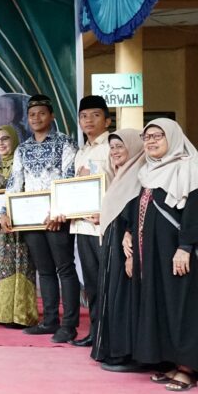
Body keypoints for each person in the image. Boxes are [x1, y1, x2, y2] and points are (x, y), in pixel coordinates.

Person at [1, 94, 79, 343]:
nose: (36, 118)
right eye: (32, 115)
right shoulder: (22, 148)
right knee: (44, 271)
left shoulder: (65, 143)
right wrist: (6, 213)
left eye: (41, 113)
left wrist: (59, 210)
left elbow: (69, 179)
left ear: (51, 116)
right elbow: (15, 183)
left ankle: (69, 325)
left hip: (57, 217)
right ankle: (49, 321)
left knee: (65, 269)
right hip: (30, 219)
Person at [130, 119, 198, 391]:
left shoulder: (189, 166)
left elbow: (194, 213)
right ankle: (169, 360)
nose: (151, 141)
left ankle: (187, 367)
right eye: (147, 137)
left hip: (178, 251)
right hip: (153, 252)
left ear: (173, 137)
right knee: (161, 303)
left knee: (183, 306)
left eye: (158, 136)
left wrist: (185, 247)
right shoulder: (148, 170)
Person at [90, 129, 144, 371]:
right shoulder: (120, 175)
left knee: (124, 298)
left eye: (120, 146)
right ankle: (111, 349)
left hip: (127, 247)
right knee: (111, 295)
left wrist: (129, 233)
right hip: (113, 244)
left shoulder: (140, 175)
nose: (115, 152)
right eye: (112, 148)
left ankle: (126, 353)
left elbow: (135, 212)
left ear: (133, 147)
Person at [0, 126, 38, 326]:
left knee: (16, 266)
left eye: (5, 139)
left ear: (14, 140)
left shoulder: (21, 164)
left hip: (15, 227)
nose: (0, 143)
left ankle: (18, 314)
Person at [67, 95, 114, 347]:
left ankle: (109, 336)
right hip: (82, 226)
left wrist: (106, 213)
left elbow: (120, 186)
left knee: (107, 282)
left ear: (107, 120)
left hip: (104, 227)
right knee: (92, 283)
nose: (89, 120)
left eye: (95, 115)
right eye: (84, 116)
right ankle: (96, 333)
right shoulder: (81, 151)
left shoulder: (112, 147)